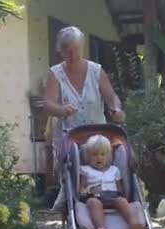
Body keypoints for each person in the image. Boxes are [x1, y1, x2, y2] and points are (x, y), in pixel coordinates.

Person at [43, 26, 126, 212]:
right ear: (61, 50)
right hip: (70, 135)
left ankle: (112, 199)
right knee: (74, 171)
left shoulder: (96, 71)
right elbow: (48, 103)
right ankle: (75, 204)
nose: (72, 54)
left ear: (82, 47)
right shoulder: (56, 74)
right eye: (67, 50)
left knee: (104, 164)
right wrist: (61, 109)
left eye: (75, 49)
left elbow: (111, 97)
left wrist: (116, 109)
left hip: (98, 135)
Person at [79, 135, 144, 229]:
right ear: (88, 156)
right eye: (94, 155)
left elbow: (120, 187)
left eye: (102, 154)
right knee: (94, 203)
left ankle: (134, 224)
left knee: (122, 201)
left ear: (109, 156)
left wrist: (123, 195)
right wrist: (84, 191)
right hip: (94, 196)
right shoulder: (85, 170)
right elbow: (82, 187)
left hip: (113, 195)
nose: (99, 157)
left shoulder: (114, 170)